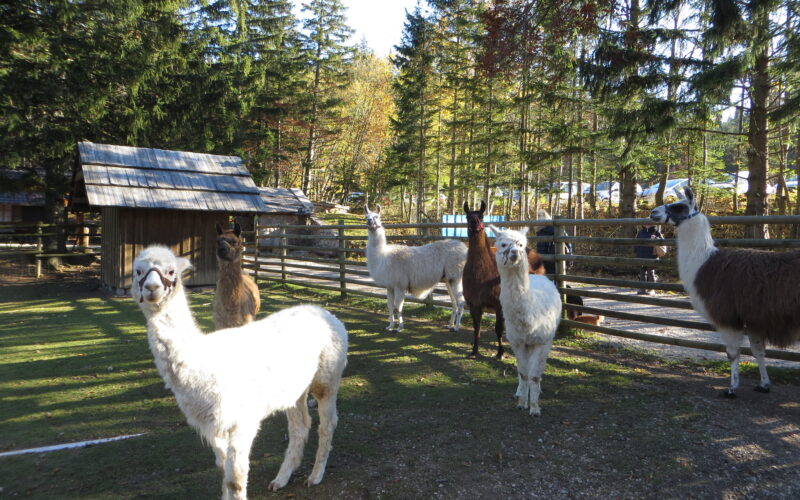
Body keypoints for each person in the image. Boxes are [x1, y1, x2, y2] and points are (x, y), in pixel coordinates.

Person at [535, 209, 572, 275]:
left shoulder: (541, 232)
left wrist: (540, 266)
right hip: (564, 261)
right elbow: (569, 245)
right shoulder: (559, 229)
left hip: (549, 264)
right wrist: (570, 261)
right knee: (561, 279)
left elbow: (541, 251)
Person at [634, 224, 664, 295]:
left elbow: (662, 242)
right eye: (646, 223)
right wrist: (636, 252)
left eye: (649, 223)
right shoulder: (640, 232)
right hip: (641, 255)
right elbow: (636, 243)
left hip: (651, 255)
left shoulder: (656, 232)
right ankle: (642, 288)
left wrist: (656, 238)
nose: (647, 225)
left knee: (650, 272)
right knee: (642, 272)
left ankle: (651, 289)